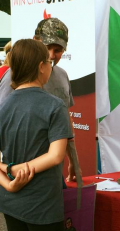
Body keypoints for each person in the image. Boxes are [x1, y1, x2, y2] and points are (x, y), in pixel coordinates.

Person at [0, 39, 73, 230]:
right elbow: (56, 156)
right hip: (43, 206)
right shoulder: (55, 106)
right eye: (49, 62)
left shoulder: (3, 107)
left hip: (10, 202)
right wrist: (16, 169)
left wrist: (9, 181)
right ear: (41, 67)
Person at [0, 18, 81, 184]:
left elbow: (66, 122)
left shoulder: (62, 75)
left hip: (50, 179)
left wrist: (74, 161)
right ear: (35, 41)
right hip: (19, 178)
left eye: (57, 50)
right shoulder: (14, 77)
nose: (51, 55)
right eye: (47, 47)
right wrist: (10, 176)